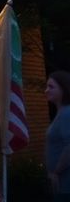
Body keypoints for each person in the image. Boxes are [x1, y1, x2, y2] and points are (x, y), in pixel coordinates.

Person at [46, 70, 70, 200]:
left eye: (51, 87)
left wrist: (56, 172)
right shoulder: (61, 113)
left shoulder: (67, 113)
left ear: (63, 89)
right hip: (61, 185)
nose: (46, 90)